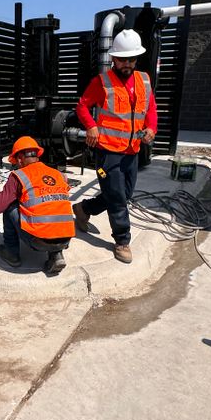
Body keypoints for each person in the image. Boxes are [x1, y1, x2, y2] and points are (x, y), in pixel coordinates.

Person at [73, 29, 157, 263]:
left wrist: (151, 128)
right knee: (118, 198)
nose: (127, 64)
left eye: (131, 59)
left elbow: (150, 109)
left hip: (132, 150)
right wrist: (91, 126)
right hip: (108, 152)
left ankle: (84, 209)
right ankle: (122, 240)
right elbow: (82, 106)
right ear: (114, 58)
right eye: (123, 59)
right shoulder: (102, 82)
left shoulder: (144, 80)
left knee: (123, 194)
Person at [0, 136, 75, 276]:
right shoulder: (57, 174)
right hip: (66, 239)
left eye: (15, 163)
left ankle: (11, 253)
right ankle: (56, 255)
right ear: (37, 155)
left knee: (10, 206)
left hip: (38, 242)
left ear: (19, 159)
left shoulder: (18, 175)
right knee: (51, 206)